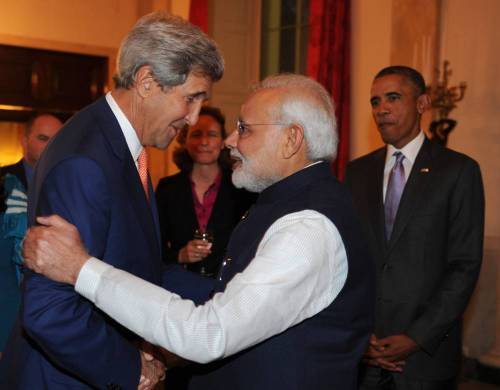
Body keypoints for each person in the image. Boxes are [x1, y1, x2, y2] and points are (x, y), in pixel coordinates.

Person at [22, 73, 374, 389]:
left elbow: (208, 334)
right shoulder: (286, 203)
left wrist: (80, 268)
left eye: (245, 128)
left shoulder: (308, 230)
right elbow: (228, 295)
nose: (230, 141)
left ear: (291, 139)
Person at [0, 11, 223, 390]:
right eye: (190, 99)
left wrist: (234, 294)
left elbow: (138, 266)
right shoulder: (87, 161)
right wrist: (131, 366)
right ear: (148, 81)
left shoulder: (121, 145)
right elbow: (51, 310)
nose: (193, 118)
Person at [344, 65, 484, 390]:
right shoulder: (356, 173)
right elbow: (347, 261)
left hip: (425, 359)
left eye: (393, 98)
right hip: (365, 354)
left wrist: (415, 337)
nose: (382, 109)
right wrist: (360, 333)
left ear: (422, 103)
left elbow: (464, 266)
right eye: (375, 102)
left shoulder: (458, 171)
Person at [155, 106, 256, 277]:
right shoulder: (167, 188)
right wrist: (179, 255)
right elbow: (153, 247)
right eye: (196, 134)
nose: (203, 142)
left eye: (211, 134)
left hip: (229, 287)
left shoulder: (242, 188)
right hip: (181, 287)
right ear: (185, 141)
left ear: (223, 141)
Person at [0, 114, 62, 354]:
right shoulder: (4, 181)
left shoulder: (69, 184)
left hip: (51, 306)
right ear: (24, 141)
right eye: (43, 138)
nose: (51, 146)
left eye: (57, 139)